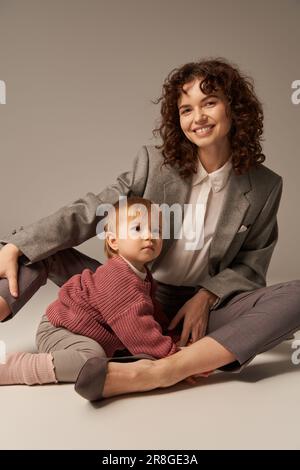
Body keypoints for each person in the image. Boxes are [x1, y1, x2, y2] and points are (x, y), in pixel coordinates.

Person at [0, 58, 300, 401]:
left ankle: (165, 369)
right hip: (133, 290)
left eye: (210, 102)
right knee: (39, 250)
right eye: (186, 109)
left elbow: (252, 264)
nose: (198, 117)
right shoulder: (154, 164)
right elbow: (92, 210)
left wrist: (207, 295)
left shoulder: (265, 186)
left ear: (235, 108)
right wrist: (15, 245)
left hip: (205, 313)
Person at [0, 197, 186, 388]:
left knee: (126, 355)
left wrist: (170, 334)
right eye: (138, 229)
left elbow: (150, 311)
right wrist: (174, 358)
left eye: (157, 230)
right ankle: (12, 367)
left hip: (85, 330)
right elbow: (138, 331)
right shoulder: (118, 278)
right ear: (113, 241)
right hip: (62, 329)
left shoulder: (142, 275)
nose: (149, 236)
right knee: (92, 358)